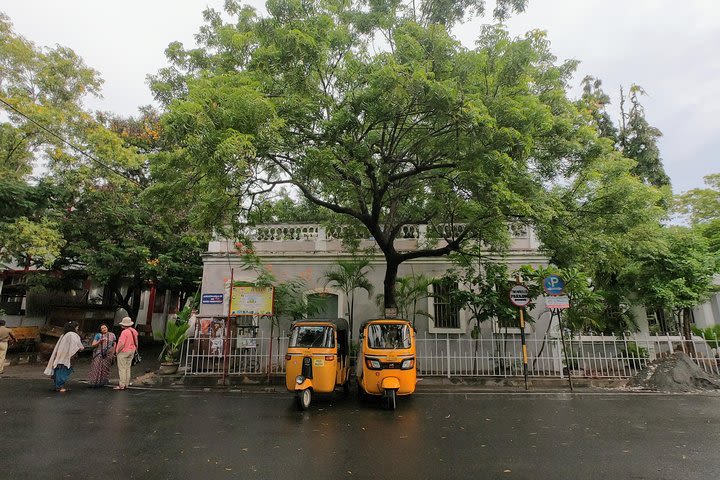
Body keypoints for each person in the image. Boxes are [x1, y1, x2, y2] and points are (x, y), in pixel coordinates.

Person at [43, 321, 84, 392]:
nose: (77, 328)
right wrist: (80, 348)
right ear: (74, 327)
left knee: (59, 370)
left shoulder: (64, 334)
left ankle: (58, 386)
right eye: (77, 326)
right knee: (63, 371)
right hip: (67, 356)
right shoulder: (72, 334)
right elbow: (74, 345)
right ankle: (59, 386)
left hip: (61, 355)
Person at [114, 316, 138, 390]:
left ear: (123, 325)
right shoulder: (134, 331)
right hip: (132, 350)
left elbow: (121, 343)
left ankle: (122, 384)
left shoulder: (124, 332)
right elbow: (136, 341)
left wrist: (117, 351)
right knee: (128, 367)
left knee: (122, 368)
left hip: (123, 351)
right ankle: (126, 384)